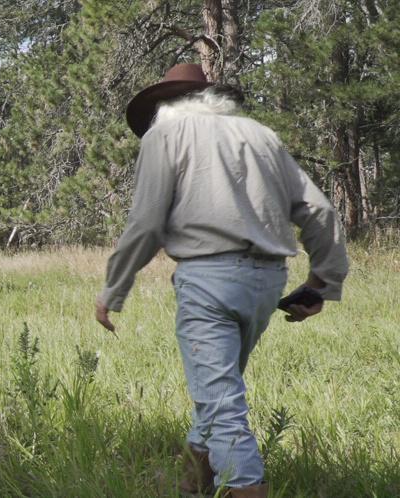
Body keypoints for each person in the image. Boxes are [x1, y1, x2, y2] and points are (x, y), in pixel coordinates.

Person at [95, 63, 350, 497]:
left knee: (222, 402)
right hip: (267, 283)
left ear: (166, 106)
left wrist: (113, 289)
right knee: (220, 387)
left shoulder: (166, 135)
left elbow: (145, 223)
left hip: (209, 281)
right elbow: (320, 211)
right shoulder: (261, 136)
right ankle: (195, 481)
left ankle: (246, 486)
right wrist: (321, 283)